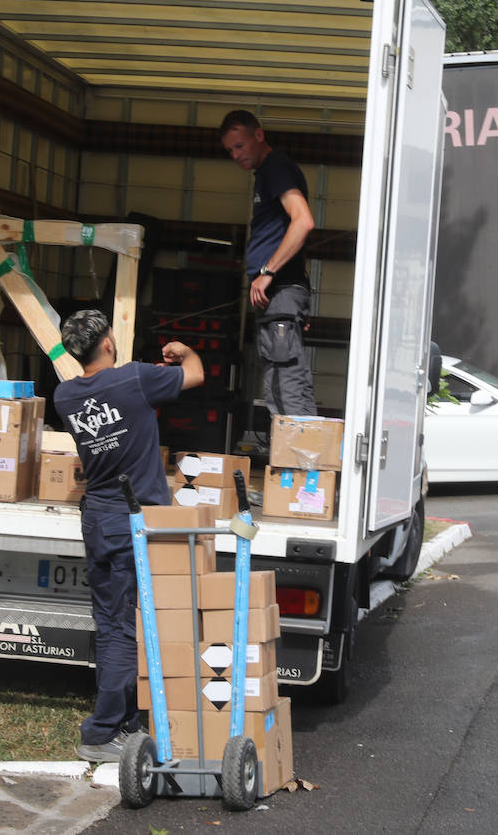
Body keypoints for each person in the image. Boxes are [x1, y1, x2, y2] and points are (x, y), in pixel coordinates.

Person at [52, 309, 204, 762]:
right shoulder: (135, 379)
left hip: (99, 516)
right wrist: (184, 352)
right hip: (131, 519)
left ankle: (126, 721)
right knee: (122, 627)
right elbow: (194, 375)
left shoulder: (64, 396)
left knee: (111, 621)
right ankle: (100, 734)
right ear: (110, 344)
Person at [219, 109, 317, 416]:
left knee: (286, 385)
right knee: (279, 381)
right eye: (230, 151)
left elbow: (303, 222)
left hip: (282, 292)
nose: (235, 155)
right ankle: (297, 458)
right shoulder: (266, 173)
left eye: (240, 146)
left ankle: (303, 461)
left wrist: (267, 273)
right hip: (282, 297)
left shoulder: (277, 168)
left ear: (259, 135)